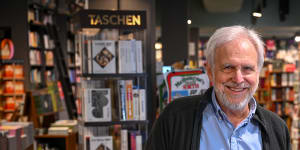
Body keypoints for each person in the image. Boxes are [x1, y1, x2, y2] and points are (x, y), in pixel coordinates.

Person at [146, 25, 291, 150]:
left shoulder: (277, 129)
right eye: (228, 67)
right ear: (210, 71)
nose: (238, 79)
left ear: (258, 73)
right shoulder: (175, 118)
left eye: (247, 68)